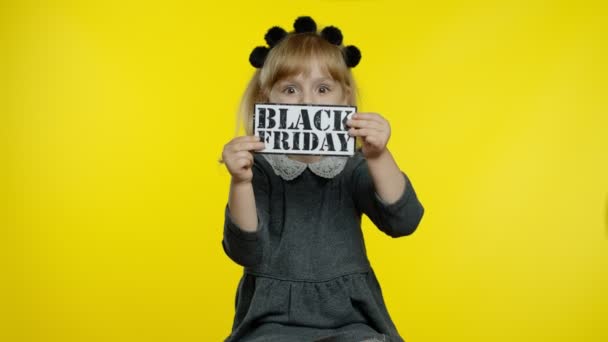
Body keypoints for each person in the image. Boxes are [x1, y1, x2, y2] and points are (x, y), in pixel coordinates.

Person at [221, 16, 424, 342]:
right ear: (266, 100)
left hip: (349, 315)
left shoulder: (353, 166)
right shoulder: (259, 169)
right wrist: (240, 182)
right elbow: (245, 251)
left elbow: (404, 222)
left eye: (323, 88)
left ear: (345, 98)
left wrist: (379, 156)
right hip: (271, 319)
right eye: (290, 89)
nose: (307, 101)